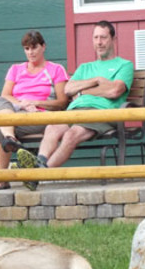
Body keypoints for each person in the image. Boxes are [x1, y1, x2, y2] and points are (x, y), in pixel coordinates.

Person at [16, 21, 133, 186]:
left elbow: (114, 91)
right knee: (52, 127)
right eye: (96, 38)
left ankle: (38, 175)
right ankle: (39, 163)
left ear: (113, 39)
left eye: (103, 38)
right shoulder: (85, 68)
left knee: (72, 134)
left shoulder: (124, 65)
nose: (99, 42)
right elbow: (68, 89)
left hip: (101, 112)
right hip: (74, 110)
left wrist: (83, 91)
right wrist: (97, 81)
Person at [0, 30, 69, 189]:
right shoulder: (16, 69)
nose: (30, 52)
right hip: (17, 112)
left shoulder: (55, 69)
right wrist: (22, 104)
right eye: (27, 48)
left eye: (34, 47)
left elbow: (62, 102)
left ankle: (2, 177)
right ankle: (11, 138)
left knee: (0, 125)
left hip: (40, 116)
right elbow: (5, 95)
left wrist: (36, 103)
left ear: (43, 47)